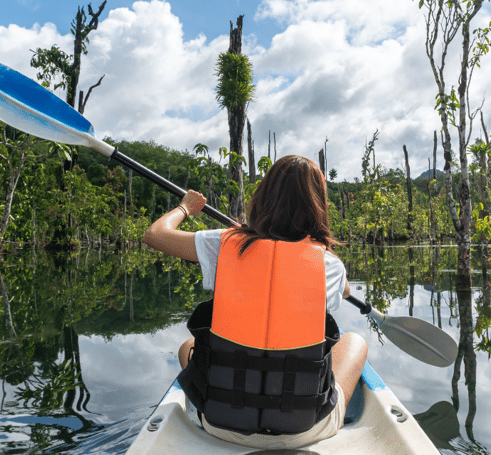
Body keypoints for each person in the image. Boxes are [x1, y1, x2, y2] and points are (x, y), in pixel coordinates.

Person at [143, 155, 368, 449]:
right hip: (305, 428)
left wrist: (185, 207)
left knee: (188, 347)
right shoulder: (330, 266)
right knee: (354, 341)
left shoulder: (223, 244)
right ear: (319, 206)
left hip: (221, 424)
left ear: (262, 198)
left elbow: (154, 235)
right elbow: (341, 286)